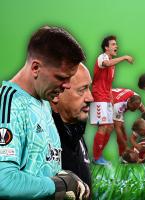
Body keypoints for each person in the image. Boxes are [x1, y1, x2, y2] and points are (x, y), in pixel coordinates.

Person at [0, 26, 89, 199]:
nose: (67, 85)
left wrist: (69, 179)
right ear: (35, 68)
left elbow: (38, 167)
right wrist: (59, 184)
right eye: (62, 77)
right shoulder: (9, 103)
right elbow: (4, 182)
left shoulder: (43, 103)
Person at [90, 35, 134, 165]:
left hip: (106, 98)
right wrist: (125, 57)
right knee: (103, 127)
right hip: (98, 97)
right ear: (106, 47)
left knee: (109, 128)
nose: (116, 46)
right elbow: (106, 63)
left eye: (116, 44)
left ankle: (99, 156)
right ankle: (97, 158)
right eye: (113, 44)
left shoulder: (113, 65)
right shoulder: (103, 57)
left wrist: (111, 99)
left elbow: (108, 84)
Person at [51, 63, 93, 192]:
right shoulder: (39, 134)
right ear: (57, 94)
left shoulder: (76, 128)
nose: (90, 97)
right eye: (82, 90)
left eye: (89, 88)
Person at [111, 88, 145, 157]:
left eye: (136, 108)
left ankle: (123, 154)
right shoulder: (118, 106)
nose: (134, 109)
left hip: (119, 98)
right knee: (113, 128)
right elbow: (118, 129)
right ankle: (122, 154)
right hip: (109, 103)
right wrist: (127, 146)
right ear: (129, 101)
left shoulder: (136, 98)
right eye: (133, 107)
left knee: (122, 130)